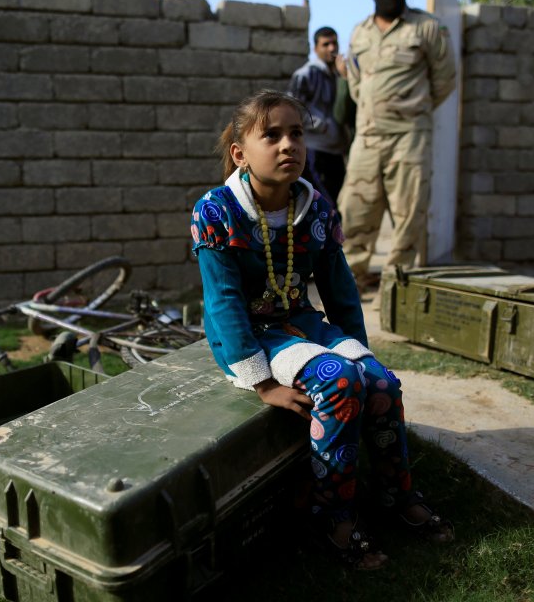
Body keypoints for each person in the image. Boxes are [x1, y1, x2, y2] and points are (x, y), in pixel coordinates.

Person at [190, 89, 453, 570]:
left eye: (296, 133)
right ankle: (329, 515)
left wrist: (364, 355)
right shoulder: (216, 212)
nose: (288, 144)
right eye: (271, 135)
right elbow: (222, 301)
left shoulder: (315, 209)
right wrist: (263, 382)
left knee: (379, 383)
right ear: (240, 153)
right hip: (246, 336)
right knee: (337, 380)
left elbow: (341, 292)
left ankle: (396, 493)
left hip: (299, 325)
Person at [339, 0, 456, 287]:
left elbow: (445, 80)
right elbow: (356, 82)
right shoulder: (359, 32)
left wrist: (411, 112)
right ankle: (350, 285)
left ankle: (395, 293)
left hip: (409, 139)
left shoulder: (427, 27)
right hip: (367, 137)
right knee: (353, 212)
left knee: (409, 216)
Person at [288, 27, 351, 207]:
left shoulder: (338, 74)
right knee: (323, 205)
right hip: (315, 151)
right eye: (326, 44)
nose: (332, 48)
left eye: (334, 43)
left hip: (335, 152)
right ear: (316, 48)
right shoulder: (306, 74)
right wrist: (321, 125)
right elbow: (293, 109)